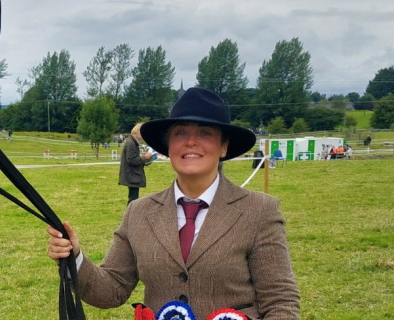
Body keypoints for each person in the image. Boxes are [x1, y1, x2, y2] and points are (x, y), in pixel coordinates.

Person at [47, 87, 300, 319]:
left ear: (224, 146)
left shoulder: (260, 211)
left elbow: (281, 302)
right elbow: (112, 289)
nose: (191, 141)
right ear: (168, 146)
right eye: (180, 133)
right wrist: (75, 258)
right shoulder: (138, 213)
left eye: (204, 132)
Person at [119, 123, 152, 205]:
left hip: (133, 175)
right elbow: (131, 160)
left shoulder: (132, 142)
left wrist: (145, 161)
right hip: (132, 175)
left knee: (133, 198)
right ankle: (129, 217)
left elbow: (133, 159)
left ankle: (129, 216)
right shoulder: (131, 143)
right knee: (133, 200)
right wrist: (144, 157)